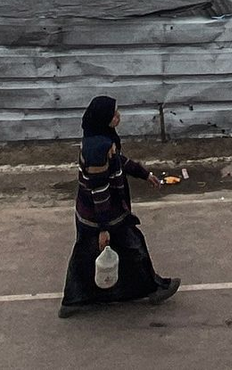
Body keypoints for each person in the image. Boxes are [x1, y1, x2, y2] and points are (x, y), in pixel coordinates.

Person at [59, 95, 179, 316]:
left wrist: (144, 174)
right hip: (103, 215)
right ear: (105, 118)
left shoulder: (100, 139)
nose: (118, 116)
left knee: (86, 255)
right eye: (114, 114)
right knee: (133, 247)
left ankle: (73, 300)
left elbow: (119, 161)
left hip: (91, 214)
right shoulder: (98, 149)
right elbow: (99, 190)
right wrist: (104, 227)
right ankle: (153, 289)